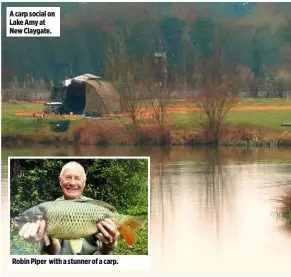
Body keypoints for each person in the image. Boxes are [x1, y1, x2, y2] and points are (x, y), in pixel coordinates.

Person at [18, 161, 119, 255]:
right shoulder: (51, 209)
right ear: (60, 181)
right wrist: (43, 238)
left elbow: (105, 251)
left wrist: (110, 243)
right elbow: (55, 252)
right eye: (68, 177)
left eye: (77, 178)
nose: (72, 183)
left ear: (84, 183)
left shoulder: (95, 208)